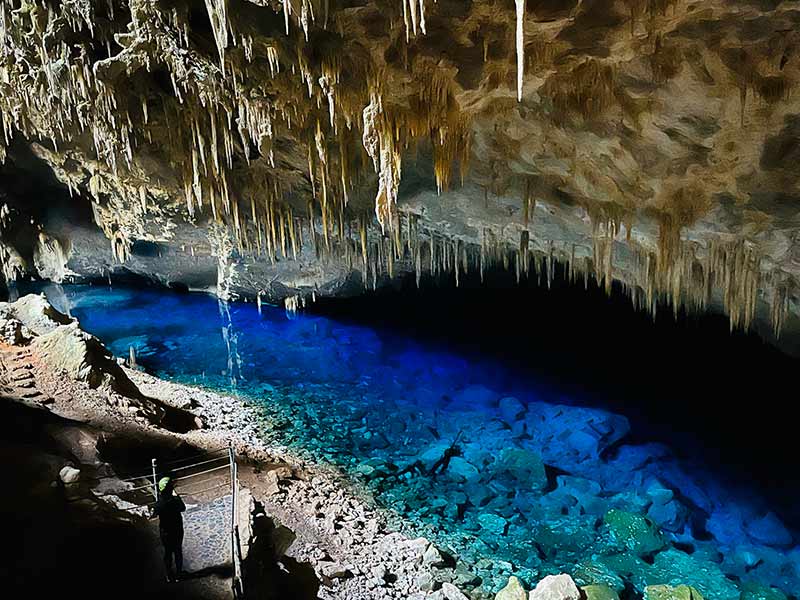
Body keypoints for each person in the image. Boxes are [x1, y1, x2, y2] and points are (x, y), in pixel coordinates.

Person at [151, 477, 186, 582]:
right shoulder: (175, 501)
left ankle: (169, 575)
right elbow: (183, 508)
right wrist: (177, 496)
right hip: (177, 530)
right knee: (178, 551)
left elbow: (154, 514)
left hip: (165, 532)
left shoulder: (158, 504)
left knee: (168, 553)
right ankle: (179, 574)